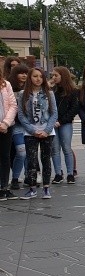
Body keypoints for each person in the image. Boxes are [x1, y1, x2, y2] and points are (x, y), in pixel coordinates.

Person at [17, 67, 57, 199]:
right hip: (30, 132)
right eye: (35, 76)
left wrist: (46, 130)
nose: (38, 78)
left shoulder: (49, 93)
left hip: (47, 132)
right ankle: (32, 188)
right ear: (30, 78)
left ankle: (46, 188)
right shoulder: (23, 94)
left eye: (40, 76)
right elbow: (21, 115)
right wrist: (33, 130)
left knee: (46, 160)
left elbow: (54, 113)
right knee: (31, 161)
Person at [50, 67, 79, 184]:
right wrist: (53, 121)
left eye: (56, 75)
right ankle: (58, 174)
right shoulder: (52, 90)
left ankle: (70, 174)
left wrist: (61, 121)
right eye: (52, 75)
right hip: (53, 123)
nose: (53, 78)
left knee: (66, 148)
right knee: (55, 149)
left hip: (65, 123)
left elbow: (74, 109)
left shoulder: (72, 91)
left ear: (63, 76)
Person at [7, 63, 28, 190]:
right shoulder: (10, 89)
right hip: (16, 125)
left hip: (30, 125)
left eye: (26, 73)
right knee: (21, 152)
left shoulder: (30, 88)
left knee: (29, 153)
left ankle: (29, 176)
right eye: (21, 73)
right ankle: (15, 178)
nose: (24, 75)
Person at [0, 65, 18, 200]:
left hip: (6, 126)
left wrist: (5, 123)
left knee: (5, 157)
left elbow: (13, 105)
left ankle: (4, 187)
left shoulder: (6, 84)